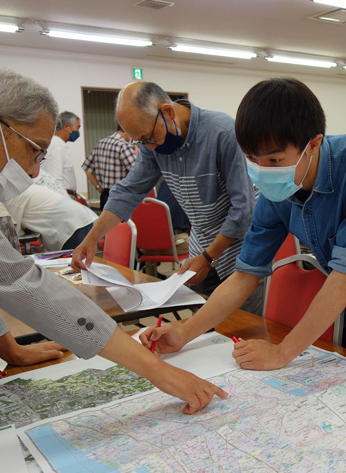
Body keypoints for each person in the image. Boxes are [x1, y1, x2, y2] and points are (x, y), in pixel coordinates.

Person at [0, 67, 225, 413]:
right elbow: (16, 279)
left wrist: (10, 351)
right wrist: (157, 371)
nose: (33, 171)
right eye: (36, 151)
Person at [142, 77, 346, 376]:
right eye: (252, 158)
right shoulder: (280, 189)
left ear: (313, 144)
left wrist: (282, 351)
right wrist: (185, 331)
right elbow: (246, 274)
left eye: (274, 160)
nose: (262, 172)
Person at [72, 81, 262, 315]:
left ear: (168, 112)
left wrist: (208, 257)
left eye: (149, 137)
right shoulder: (153, 143)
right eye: (141, 142)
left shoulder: (221, 132)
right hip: (201, 244)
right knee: (203, 322)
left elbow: (243, 209)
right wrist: (91, 239)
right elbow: (128, 191)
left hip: (239, 245)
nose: (149, 148)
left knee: (241, 324)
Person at [3, 184, 98, 251]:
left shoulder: (10, 198)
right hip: (81, 216)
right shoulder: (26, 188)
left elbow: (11, 231)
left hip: (68, 225)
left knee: (76, 265)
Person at [82, 126, 137, 210]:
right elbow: (137, 171)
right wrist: (138, 154)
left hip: (104, 195)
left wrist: (98, 187)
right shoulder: (124, 145)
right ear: (127, 132)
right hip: (120, 196)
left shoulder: (100, 143)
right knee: (121, 223)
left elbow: (87, 168)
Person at [42, 111, 81, 193]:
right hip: (61, 194)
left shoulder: (57, 144)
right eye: (77, 128)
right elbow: (56, 179)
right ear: (67, 127)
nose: (78, 131)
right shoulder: (57, 146)